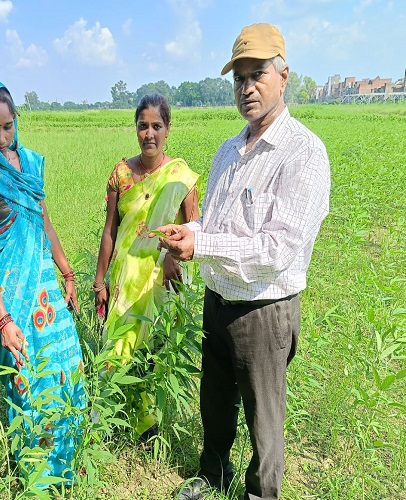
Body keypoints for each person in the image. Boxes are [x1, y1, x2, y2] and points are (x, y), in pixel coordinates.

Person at [157, 24, 331, 500]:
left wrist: (204, 247)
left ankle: (261, 493)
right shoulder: (228, 151)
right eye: (239, 79)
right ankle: (212, 475)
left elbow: (278, 249)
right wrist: (187, 233)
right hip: (219, 299)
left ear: (283, 75)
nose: (246, 88)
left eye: (257, 75)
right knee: (214, 403)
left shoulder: (304, 153)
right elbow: (212, 222)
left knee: (263, 417)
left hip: (264, 309)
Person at [0, 77, 85, 484]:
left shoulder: (27, 163)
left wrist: (66, 271)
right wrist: (4, 320)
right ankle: (37, 476)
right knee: (29, 380)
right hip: (10, 297)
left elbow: (45, 221)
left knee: (66, 364)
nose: (1, 136)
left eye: (7, 126)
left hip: (44, 283)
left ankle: (67, 462)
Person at [94, 93, 200, 440]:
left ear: (168, 129)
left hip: (162, 279)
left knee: (154, 349)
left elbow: (192, 230)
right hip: (125, 276)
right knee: (117, 348)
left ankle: (147, 426)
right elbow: (110, 231)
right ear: (135, 129)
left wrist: (171, 255)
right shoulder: (121, 174)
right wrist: (99, 282)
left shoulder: (180, 177)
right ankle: (103, 419)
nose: (149, 133)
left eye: (157, 126)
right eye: (143, 126)